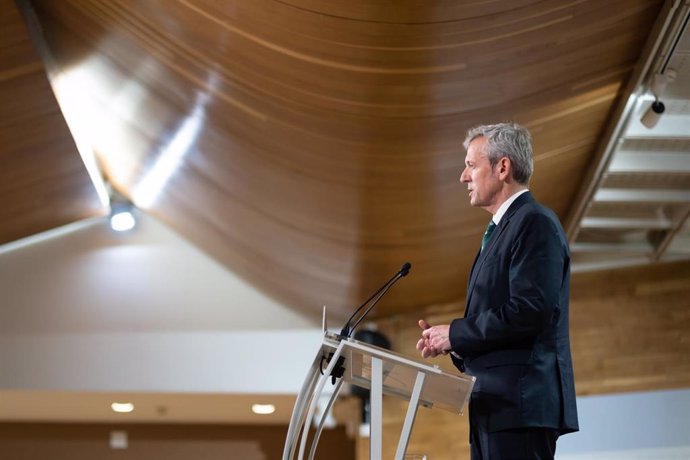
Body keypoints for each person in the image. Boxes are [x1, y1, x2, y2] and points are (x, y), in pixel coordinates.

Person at [416, 123, 579, 459]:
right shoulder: (503, 229)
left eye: (471, 165)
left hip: (521, 405)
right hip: (497, 407)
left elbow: (529, 311)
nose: (463, 176)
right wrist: (452, 343)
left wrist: (457, 333)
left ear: (502, 167)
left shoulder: (534, 222)